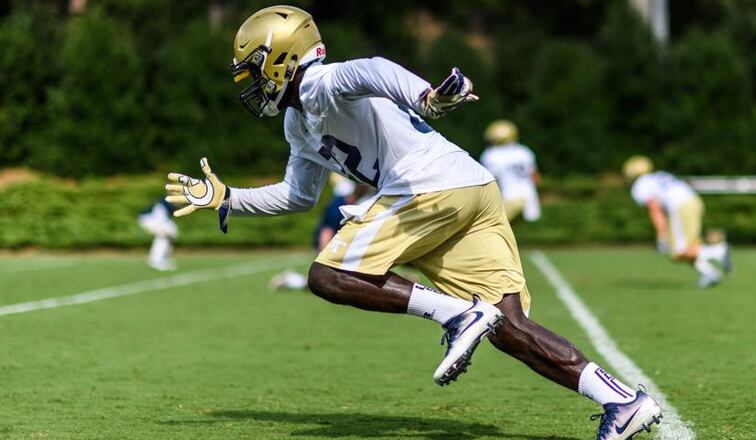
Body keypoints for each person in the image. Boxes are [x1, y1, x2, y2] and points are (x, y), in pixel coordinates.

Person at [164, 6, 661, 439]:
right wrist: (229, 198)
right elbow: (298, 195)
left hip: (427, 189)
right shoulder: (298, 122)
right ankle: (621, 402)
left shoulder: (319, 82)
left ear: (281, 58)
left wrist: (425, 97)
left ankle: (455, 314)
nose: (252, 83)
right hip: (471, 188)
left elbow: (371, 70)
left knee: (328, 275)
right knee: (510, 328)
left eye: (255, 70)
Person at [623, 155, 732, 288]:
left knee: (680, 251)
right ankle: (710, 273)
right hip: (690, 202)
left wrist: (661, 234)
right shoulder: (659, 175)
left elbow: (655, 211)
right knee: (680, 249)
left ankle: (717, 251)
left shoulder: (640, 185)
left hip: (680, 207)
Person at [270, 173, 371, 290]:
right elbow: (326, 232)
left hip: (344, 246)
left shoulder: (362, 202)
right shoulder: (339, 204)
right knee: (323, 282)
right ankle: (290, 279)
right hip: (332, 246)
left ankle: (291, 279)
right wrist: (322, 258)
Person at [480, 120, 541, 222]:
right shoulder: (523, 151)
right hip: (529, 197)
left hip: (509, 197)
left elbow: (490, 182)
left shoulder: (491, 155)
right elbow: (535, 177)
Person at [137, 198, 178, 271]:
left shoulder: (169, 205)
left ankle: (164, 258)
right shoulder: (162, 205)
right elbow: (158, 219)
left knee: (171, 233)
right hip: (148, 220)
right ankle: (155, 260)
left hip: (152, 220)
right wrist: (162, 230)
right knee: (162, 238)